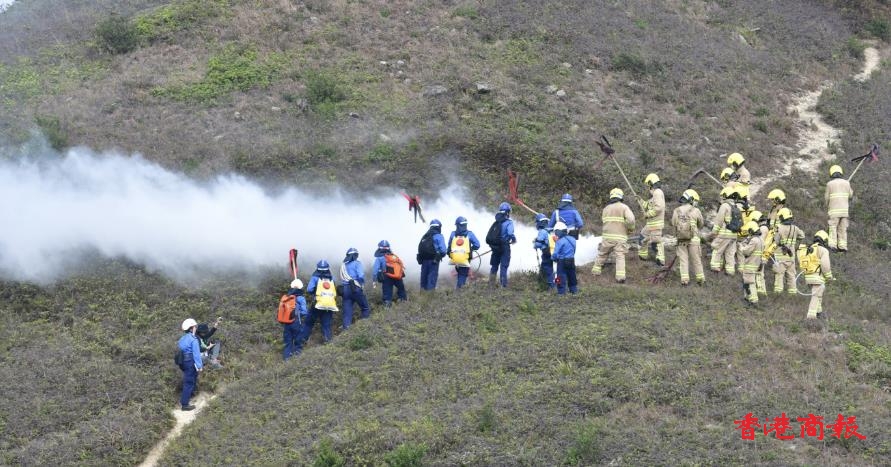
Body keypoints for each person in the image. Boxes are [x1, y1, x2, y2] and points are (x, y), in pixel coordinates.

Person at [591, 188, 636, 283]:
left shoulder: (606, 209)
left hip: (607, 237)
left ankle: (595, 272)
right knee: (620, 256)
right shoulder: (624, 207)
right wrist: (630, 229)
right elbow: (631, 220)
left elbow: (604, 221)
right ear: (621, 197)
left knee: (602, 254)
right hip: (620, 237)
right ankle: (620, 278)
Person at [297, 260, 338, 350]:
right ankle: (328, 345)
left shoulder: (315, 277)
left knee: (308, 323)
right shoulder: (332, 278)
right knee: (326, 325)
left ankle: (301, 344)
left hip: (317, 304)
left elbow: (309, 289)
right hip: (329, 306)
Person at [670, 189, 705, 286]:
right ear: (692, 199)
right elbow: (701, 224)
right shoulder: (696, 210)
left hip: (681, 239)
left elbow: (673, 223)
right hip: (694, 239)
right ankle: (700, 279)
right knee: (696, 260)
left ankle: (685, 280)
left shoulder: (676, 210)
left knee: (683, 260)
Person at [772, 208, 805, 295]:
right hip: (791, 257)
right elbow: (802, 236)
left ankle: (777, 294)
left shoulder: (779, 228)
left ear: (782, 217)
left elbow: (775, 242)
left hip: (780, 257)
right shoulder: (795, 228)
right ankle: (793, 294)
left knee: (779, 276)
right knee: (791, 276)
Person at [708, 186, 740, 275]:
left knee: (717, 249)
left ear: (726, 195)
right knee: (730, 253)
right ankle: (730, 271)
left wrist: (714, 233)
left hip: (724, 233)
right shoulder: (736, 206)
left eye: (722, 196)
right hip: (734, 235)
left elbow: (719, 221)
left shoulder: (724, 206)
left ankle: (715, 268)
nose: (721, 198)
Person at [802, 230, 833, 319]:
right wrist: (829, 276)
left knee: (818, 294)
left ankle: (819, 313)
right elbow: (825, 266)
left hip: (808, 276)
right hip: (817, 277)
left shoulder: (809, 248)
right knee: (815, 296)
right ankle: (811, 317)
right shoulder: (823, 250)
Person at [638, 173, 666, 266]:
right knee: (643, 236)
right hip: (650, 224)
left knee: (656, 242)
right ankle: (643, 255)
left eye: (648, 185)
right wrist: (640, 200)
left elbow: (658, 208)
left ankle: (660, 261)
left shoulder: (658, 192)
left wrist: (647, 214)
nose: (648, 187)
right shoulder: (655, 195)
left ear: (651, 183)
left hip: (656, 224)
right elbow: (648, 205)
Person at [339, 247, 370, 330]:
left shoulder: (343, 265)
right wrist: (361, 283)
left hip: (345, 290)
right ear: (355, 255)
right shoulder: (357, 263)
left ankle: (346, 329)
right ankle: (364, 327)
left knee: (347, 313)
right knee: (365, 308)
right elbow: (361, 276)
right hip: (355, 288)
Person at [487, 202, 517, 287]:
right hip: (504, 246)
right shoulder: (509, 222)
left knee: (494, 266)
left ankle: (491, 284)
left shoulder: (497, 222)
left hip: (495, 247)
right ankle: (503, 285)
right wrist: (514, 239)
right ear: (508, 212)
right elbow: (510, 233)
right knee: (503, 266)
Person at [825, 165, 853, 252]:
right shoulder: (847, 183)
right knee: (843, 229)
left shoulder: (829, 184)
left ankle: (832, 245)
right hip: (844, 211)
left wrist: (827, 206)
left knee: (833, 227)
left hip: (834, 211)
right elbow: (850, 195)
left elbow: (827, 198)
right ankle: (842, 246)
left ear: (831, 173)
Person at [177, 318, 203, 411]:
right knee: (189, 382)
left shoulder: (182, 339)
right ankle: (185, 404)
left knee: (190, 379)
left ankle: (189, 395)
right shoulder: (193, 339)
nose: (196, 327)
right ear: (191, 328)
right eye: (195, 326)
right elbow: (196, 354)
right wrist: (199, 366)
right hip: (190, 361)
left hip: (183, 361)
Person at [447, 216, 480, 289]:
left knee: (459, 273)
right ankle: (459, 291)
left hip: (455, 259)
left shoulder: (453, 234)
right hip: (465, 259)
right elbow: (477, 245)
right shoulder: (470, 234)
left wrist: (451, 254)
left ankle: (458, 289)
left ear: (457, 225)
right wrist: (471, 249)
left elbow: (449, 247)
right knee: (462, 275)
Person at [372, 240, 407, 307]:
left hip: (386, 277)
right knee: (401, 289)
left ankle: (387, 307)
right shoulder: (394, 256)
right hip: (397, 276)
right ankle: (404, 303)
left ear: (379, 247)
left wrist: (374, 280)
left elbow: (375, 271)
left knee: (387, 293)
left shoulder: (379, 258)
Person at [737, 221, 763, 306]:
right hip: (756, 264)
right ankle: (747, 298)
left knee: (750, 282)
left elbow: (746, 252)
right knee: (748, 282)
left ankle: (753, 301)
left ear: (752, 230)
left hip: (750, 265)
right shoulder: (760, 239)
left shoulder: (754, 240)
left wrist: (741, 247)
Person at [280, 279, 308, 360]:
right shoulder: (301, 298)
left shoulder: (286, 297)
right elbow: (304, 312)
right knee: (298, 341)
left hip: (286, 322)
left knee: (287, 342)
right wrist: (298, 314)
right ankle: (297, 359)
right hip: (296, 322)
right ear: (301, 287)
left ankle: (286, 359)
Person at [417, 219, 447, 290]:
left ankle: (422, 295)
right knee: (431, 279)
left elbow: (420, 248)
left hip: (424, 261)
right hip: (434, 261)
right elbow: (443, 250)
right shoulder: (438, 236)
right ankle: (430, 295)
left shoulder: (425, 236)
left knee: (423, 279)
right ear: (439, 227)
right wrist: (439, 256)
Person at [552, 222, 578, 294]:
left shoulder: (559, 241)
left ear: (559, 231)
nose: (555, 234)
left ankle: (561, 292)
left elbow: (555, 254)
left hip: (562, 261)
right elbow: (574, 250)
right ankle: (574, 291)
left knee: (559, 277)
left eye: (556, 232)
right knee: (572, 276)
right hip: (571, 260)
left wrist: (553, 258)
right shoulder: (573, 239)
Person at [533, 213, 555, 289]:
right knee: (547, 268)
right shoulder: (552, 230)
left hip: (547, 253)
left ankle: (551, 286)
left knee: (548, 269)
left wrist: (535, 244)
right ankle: (542, 282)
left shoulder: (542, 231)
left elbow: (538, 244)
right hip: (554, 252)